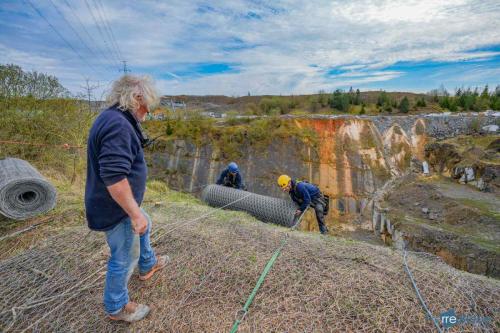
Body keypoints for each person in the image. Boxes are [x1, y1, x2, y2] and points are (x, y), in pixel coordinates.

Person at [85, 75, 168, 322]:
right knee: (123, 256)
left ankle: (148, 264)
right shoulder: (118, 125)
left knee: (146, 223)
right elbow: (113, 177)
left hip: (114, 203)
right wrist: (133, 212)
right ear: (136, 98)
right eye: (147, 106)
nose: (148, 111)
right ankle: (116, 307)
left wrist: (139, 213)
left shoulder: (112, 118)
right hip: (116, 208)